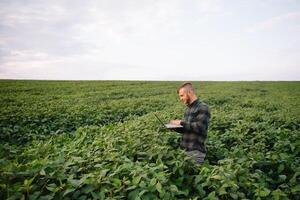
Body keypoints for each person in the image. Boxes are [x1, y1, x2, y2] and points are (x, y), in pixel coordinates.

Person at [169, 82, 211, 165]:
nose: (180, 98)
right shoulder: (188, 109)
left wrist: (180, 122)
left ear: (190, 93)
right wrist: (174, 127)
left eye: (182, 95)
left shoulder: (203, 107)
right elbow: (188, 129)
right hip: (184, 151)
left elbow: (200, 127)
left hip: (195, 152)